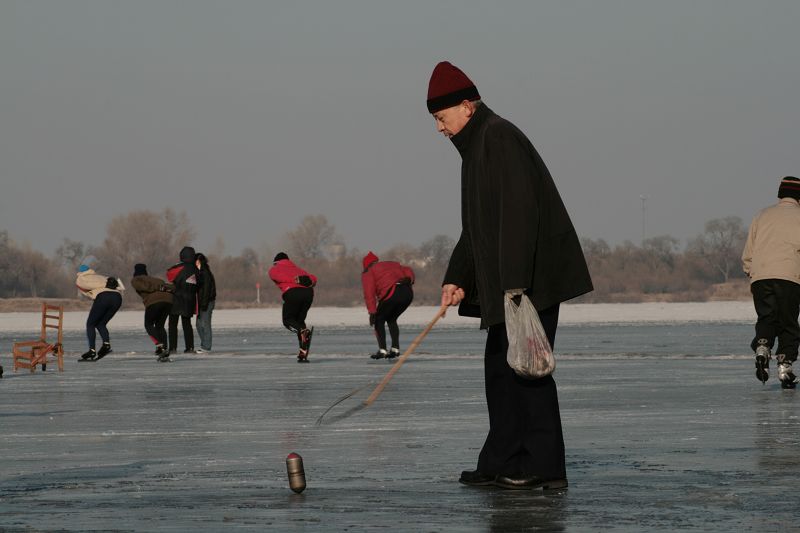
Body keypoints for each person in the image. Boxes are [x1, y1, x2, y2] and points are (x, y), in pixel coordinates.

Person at [427, 61, 593, 489]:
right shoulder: (477, 148)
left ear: (466, 106)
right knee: (500, 370)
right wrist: (457, 276)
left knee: (527, 369)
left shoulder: (498, 138)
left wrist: (515, 287)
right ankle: (502, 460)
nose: (440, 130)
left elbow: (519, 214)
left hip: (529, 283)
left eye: (442, 119)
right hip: (512, 285)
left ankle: (543, 466)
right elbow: (478, 226)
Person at [742, 176, 800, 389]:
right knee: (788, 322)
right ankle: (785, 367)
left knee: (766, 316)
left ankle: (763, 347)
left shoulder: (762, 215)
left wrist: (753, 272)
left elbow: (748, 253)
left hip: (761, 277)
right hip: (790, 277)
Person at [361, 251, 415, 360]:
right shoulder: (393, 264)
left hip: (392, 293)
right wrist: (409, 278)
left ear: (366, 265)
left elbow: (369, 293)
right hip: (407, 292)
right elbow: (408, 269)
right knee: (391, 319)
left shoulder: (368, 272)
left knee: (379, 320)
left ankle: (382, 350)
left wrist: (372, 312)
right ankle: (395, 349)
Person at [268, 252, 317, 362]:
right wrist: (310, 281)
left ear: (276, 262)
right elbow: (313, 277)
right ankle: (303, 350)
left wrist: (295, 281)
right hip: (308, 294)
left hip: (293, 293)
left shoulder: (274, 269)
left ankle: (303, 333)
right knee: (299, 322)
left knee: (288, 321)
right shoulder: (298, 269)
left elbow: (280, 277)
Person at [76, 264, 124, 361]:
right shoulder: (101, 276)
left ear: (80, 272)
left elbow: (85, 286)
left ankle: (92, 351)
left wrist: (102, 287)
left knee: (90, 324)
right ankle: (106, 345)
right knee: (101, 324)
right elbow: (119, 286)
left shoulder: (81, 278)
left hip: (103, 297)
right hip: (117, 298)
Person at [130, 263, 174, 362]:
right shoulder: (157, 279)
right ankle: (164, 350)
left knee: (148, 324)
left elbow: (145, 287)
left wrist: (158, 288)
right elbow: (170, 287)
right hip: (168, 301)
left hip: (154, 302)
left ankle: (160, 346)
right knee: (159, 326)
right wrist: (162, 287)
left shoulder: (136, 280)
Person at [166, 246, 199, 355]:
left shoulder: (179, 267)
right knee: (187, 324)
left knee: (172, 325)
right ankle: (189, 347)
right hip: (189, 300)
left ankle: (173, 348)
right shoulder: (196, 269)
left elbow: (169, 275)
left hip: (176, 299)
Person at [195, 253, 217, 353]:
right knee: (198, 324)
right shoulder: (199, 272)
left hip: (207, 302)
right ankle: (204, 344)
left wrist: (204, 303)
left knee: (205, 324)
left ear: (198, 261)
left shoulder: (205, 272)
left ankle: (206, 347)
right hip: (202, 302)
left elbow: (207, 290)